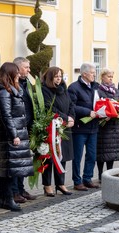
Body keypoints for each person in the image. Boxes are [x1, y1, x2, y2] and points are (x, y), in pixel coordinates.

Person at [0, 62, 34, 211]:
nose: (18, 75)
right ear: (10, 74)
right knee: (9, 170)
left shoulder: (13, 90)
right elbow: (6, 116)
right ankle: (7, 198)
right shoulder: (4, 93)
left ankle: (4, 199)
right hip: (11, 136)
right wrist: (14, 134)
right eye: (16, 72)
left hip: (17, 133)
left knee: (10, 170)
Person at [41, 66, 75, 196]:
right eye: (56, 76)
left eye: (60, 76)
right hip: (52, 127)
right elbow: (50, 107)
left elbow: (71, 104)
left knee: (62, 156)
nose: (59, 79)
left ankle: (60, 184)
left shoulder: (63, 89)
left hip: (65, 128)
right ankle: (47, 185)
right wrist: (66, 118)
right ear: (50, 77)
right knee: (49, 157)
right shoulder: (45, 90)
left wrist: (71, 117)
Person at [68, 62, 100, 191]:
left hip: (93, 127)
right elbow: (72, 107)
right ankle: (77, 181)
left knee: (92, 155)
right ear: (84, 74)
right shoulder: (73, 88)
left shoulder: (95, 87)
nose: (94, 75)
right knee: (78, 156)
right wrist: (88, 112)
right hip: (80, 128)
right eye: (92, 73)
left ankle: (88, 178)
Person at [11, 57, 37, 203]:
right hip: (18, 128)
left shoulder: (26, 83)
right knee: (17, 162)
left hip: (27, 127)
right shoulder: (13, 85)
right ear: (18, 68)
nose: (28, 70)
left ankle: (21, 189)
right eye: (26, 67)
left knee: (24, 162)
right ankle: (15, 191)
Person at [96, 68, 119, 181]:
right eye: (108, 76)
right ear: (102, 77)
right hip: (103, 125)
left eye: (112, 76)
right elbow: (97, 105)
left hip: (115, 125)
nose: (110, 79)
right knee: (102, 152)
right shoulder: (98, 90)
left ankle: (109, 174)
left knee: (112, 152)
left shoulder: (116, 91)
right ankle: (100, 174)